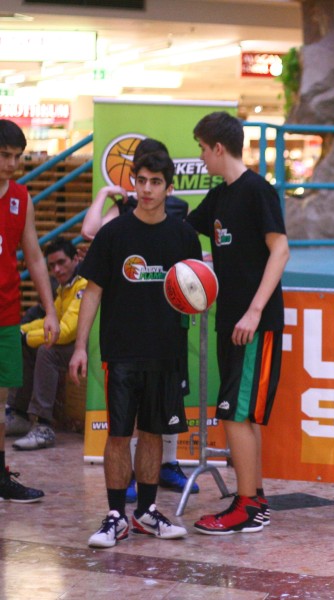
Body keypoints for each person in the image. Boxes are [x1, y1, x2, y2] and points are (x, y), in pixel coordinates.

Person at [70, 151, 201, 549]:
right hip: (121, 351)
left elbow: (195, 292)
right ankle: (115, 516)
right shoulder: (113, 234)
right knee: (118, 434)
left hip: (166, 351)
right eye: (140, 180)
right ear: (134, 183)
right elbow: (92, 292)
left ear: (169, 188)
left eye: (155, 182)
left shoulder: (183, 236)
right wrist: (80, 347)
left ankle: (145, 513)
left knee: (152, 433)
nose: (146, 189)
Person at [186, 111, 288, 535]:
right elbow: (184, 228)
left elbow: (280, 249)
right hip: (228, 321)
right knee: (240, 416)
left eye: (202, 149)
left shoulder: (257, 190)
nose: (201, 158)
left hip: (254, 324)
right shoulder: (219, 196)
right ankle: (254, 498)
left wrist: (255, 310)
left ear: (218, 148)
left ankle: (246, 507)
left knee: (232, 412)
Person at [0, 119, 60, 502]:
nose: (11, 164)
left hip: (6, 313)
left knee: (0, 402)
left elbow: (35, 257)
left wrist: (50, 311)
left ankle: (0, 477)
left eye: (17, 157)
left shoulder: (22, 198)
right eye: (4, 155)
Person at [6, 238, 86, 450]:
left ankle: (43, 426)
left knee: (46, 351)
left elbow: (65, 332)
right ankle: (19, 414)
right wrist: (20, 331)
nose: (57, 270)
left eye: (61, 262)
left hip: (90, 348)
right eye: (52, 266)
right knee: (25, 346)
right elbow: (50, 322)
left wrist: (26, 337)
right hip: (73, 344)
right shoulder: (65, 288)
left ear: (75, 259)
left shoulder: (83, 286)